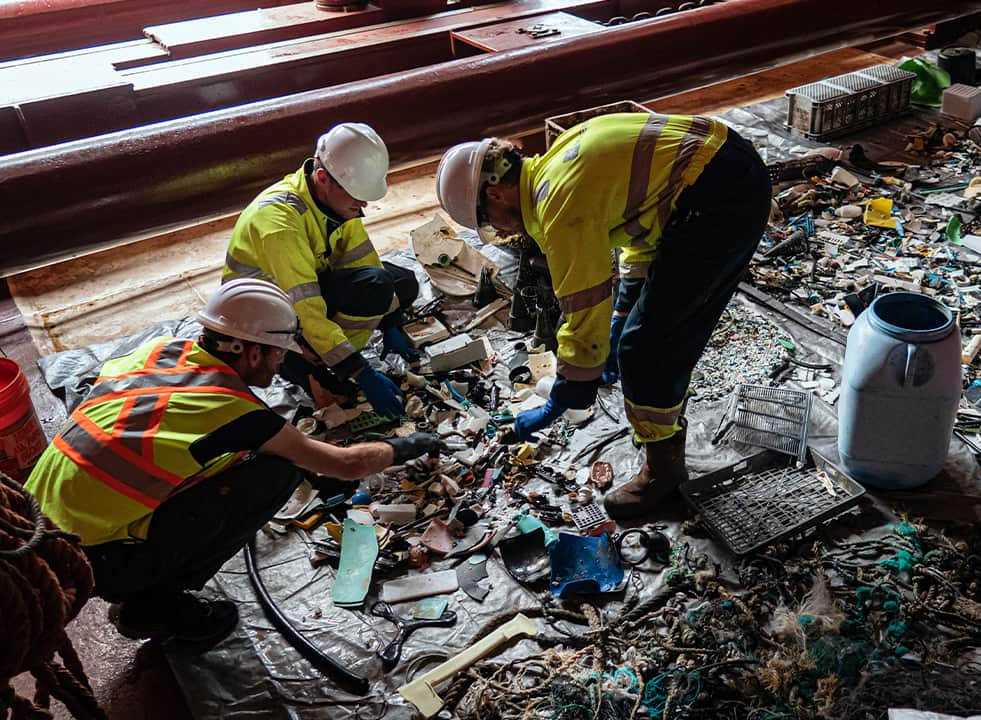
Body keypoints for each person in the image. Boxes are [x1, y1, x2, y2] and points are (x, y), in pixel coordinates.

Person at [23, 279, 447, 645]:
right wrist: (409, 445)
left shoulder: (158, 352)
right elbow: (345, 464)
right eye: (279, 353)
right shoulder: (232, 411)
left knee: (242, 460)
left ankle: (146, 581)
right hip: (90, 561)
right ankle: (157, 605)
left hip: (31, 520)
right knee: (278, 472)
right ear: (251, 353)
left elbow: (161, 434)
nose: (282, 364)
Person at [435, 112, 770, 519]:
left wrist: (568, 389)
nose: (503, 233)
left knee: (646, 350)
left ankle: (664, 475)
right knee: (643, 331)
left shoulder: (557, 203)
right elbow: (642, 227)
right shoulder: (557, 162)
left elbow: (585, 307)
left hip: (720, 198)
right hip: (722, 166)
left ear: (495, 196)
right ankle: (659, 425)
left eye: (491, 226)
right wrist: (624, 309)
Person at [223, 122, 419, 419]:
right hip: (262, 319)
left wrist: (392, 324)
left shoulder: (334, 203)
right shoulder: (279, 224)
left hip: (300, 293)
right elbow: (307, 308)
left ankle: (325, 353)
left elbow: (364, 262)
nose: (363, 202)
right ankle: (308, 364)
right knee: (374, 288)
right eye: (356, 194)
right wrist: (359, 371)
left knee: (401, 282)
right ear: (323, 178)